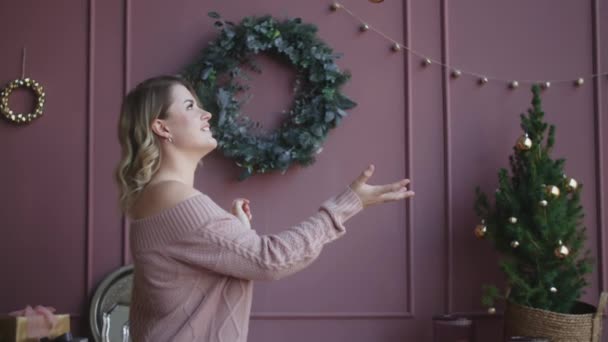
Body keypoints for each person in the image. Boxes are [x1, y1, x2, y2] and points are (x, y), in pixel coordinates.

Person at [115, 75, 415, 342]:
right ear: (161, 126)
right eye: (190, 106)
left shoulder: (156, 197)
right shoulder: (176, 197)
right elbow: (270, 259)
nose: (207, 114)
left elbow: (187, 288)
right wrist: (347, 204)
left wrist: (237, 232)